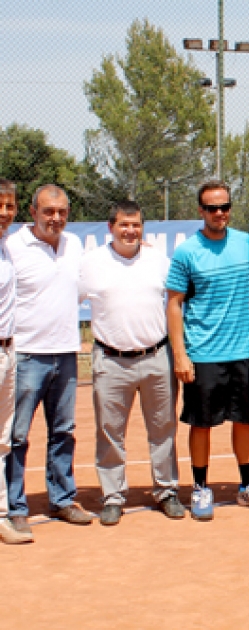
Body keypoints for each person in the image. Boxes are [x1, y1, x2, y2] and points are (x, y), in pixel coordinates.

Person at [166, 179, 249, 521]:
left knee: (244, 422)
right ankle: (200, 487)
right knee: (201, 425)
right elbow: (174, 304)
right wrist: (180, 355)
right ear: (200, 211)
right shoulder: (187, 251)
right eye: (212, 208)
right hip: (202, 355)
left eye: (224, 207)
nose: (219, 213)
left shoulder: (245, 243)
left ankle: (248, 486)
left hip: (242, 352)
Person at [79, 201, 183, 526]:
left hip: (157, 358)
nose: (130, 231)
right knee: (110, 432)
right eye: (124, 225)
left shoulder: (158, 260)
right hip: (111, 360)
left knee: (163, 429)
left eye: (136, 225)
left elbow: (179, 301)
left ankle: (166, 491)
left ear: (143, 228)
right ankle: (113, 496)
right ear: (110, 227)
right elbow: (63, 299)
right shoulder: (91, 263)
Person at [6, 184, 92, 532]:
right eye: (48, 212)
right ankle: (14, 506)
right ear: (32, 212)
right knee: (17, 436)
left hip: (66, 353)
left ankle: (62, 500)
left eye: (62, 213)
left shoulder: (74, 246)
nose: (56, 219)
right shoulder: (12, 248)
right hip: (25, 356)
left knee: (63, 432)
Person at [0, 180, 30, 544]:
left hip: (9, 351)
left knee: (3, 437)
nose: (4, 212)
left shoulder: (9, 246)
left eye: (9, 206)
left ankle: (3, 514)